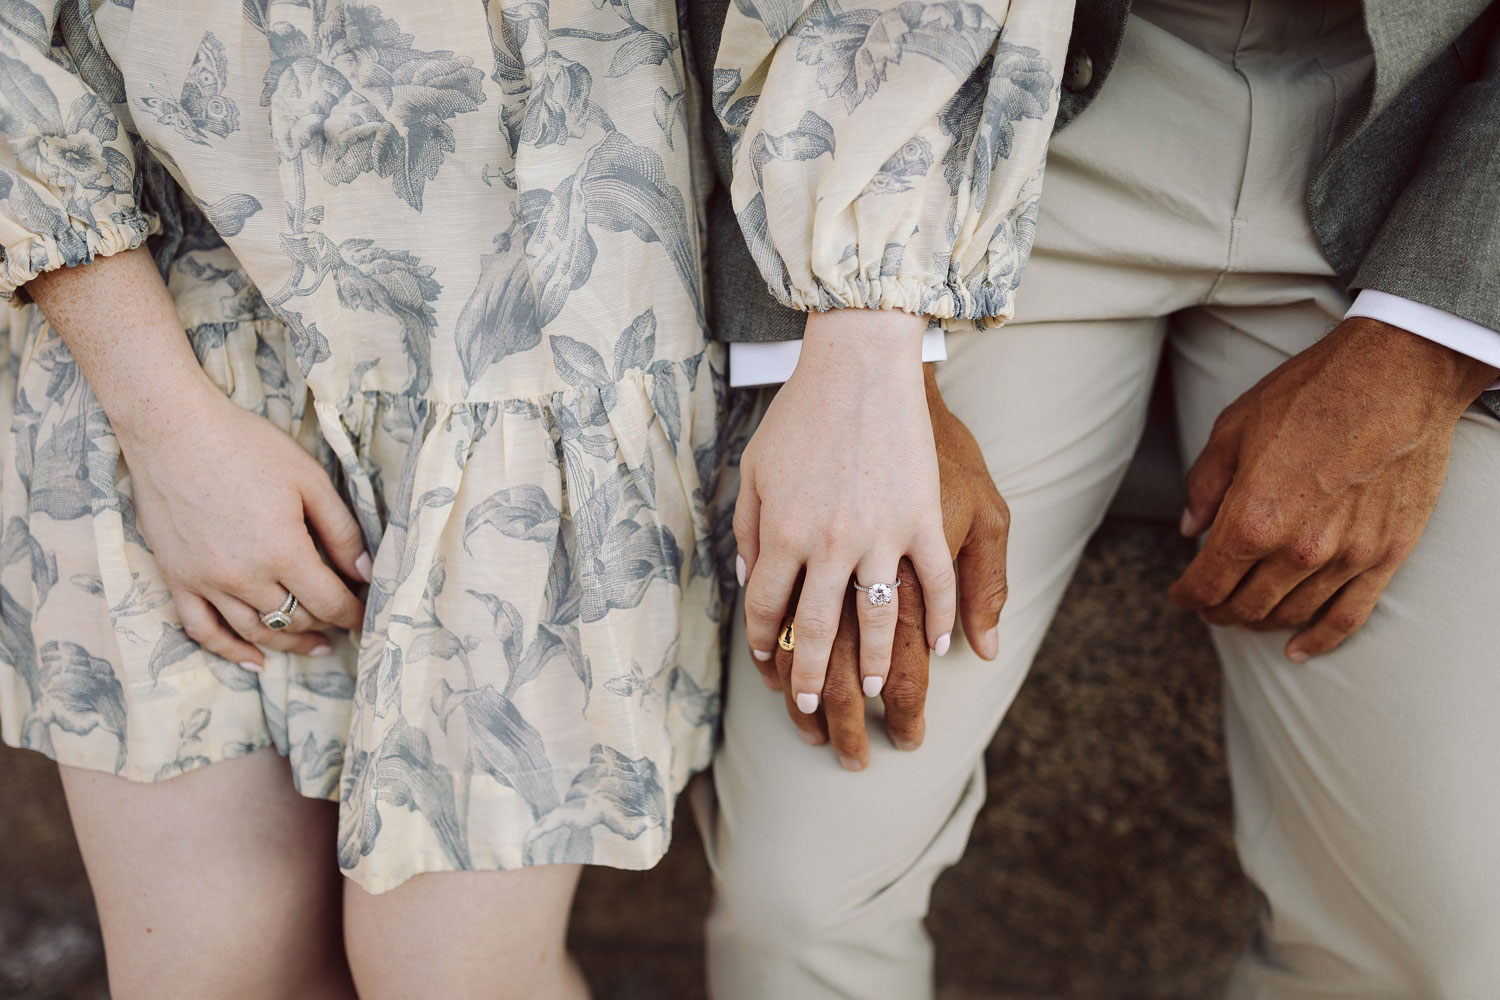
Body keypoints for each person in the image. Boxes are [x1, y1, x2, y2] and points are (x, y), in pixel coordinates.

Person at [690, 0, 1500, 998]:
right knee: (799, 900)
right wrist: (844, 322)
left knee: (1448, 941)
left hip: (1417, 140)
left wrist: (1434, 338)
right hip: (986, 125)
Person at [0, 2, 730, 997]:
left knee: (454, 979)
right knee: (208, 969)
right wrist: (167, 431)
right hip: (159, 317)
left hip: (535, 336)